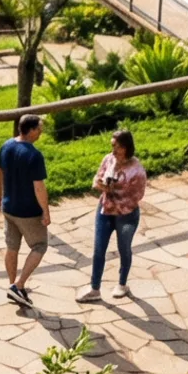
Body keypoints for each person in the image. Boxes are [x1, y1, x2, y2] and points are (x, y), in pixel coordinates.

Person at [76, 128, 146, 303]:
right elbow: (97, 178)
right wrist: (101, 185)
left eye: (117, 146)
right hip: (105, 210)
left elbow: (137, 195)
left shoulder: (137, 170)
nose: (113, 149)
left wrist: (115, 192)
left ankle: (122, 284)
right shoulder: (108, 160)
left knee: (124, 248)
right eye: (112, 145)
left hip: (126, 215)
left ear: (125, 147)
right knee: (99, 249)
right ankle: (94, 288)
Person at [0, 112, 51, 307]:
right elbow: (38, 187)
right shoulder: (34, 155)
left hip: (8, 207)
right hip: (28, 212)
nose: (41, 132)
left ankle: (13, 286)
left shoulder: (6, 146)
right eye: (39, 129)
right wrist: (46, 211)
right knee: (40, 246)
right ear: (32, 130)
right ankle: (18, 286)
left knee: (12, 247)